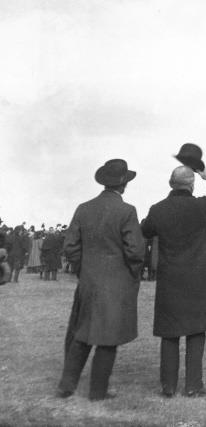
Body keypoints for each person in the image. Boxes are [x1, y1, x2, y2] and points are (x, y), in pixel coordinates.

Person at [141, 147, 206, 398]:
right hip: (198, 279)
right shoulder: (203, 207)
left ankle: (168, 386)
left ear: (171, 184)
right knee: (196, 331)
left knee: (169, 334)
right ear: (192, 185)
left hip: (170, 279)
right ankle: (193, 384)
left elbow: (145, 230)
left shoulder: (157, 209)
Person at [57, 159, 145, 401]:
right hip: (117, 283)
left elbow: (70, 247)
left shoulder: (83, 208)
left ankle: (67, 384)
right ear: (124, 184)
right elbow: (135, 251)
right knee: (109, 338)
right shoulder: (127, 211)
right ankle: (98, 391)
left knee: (82, 332)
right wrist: (132, 272)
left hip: (88, 281)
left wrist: (83, 270)